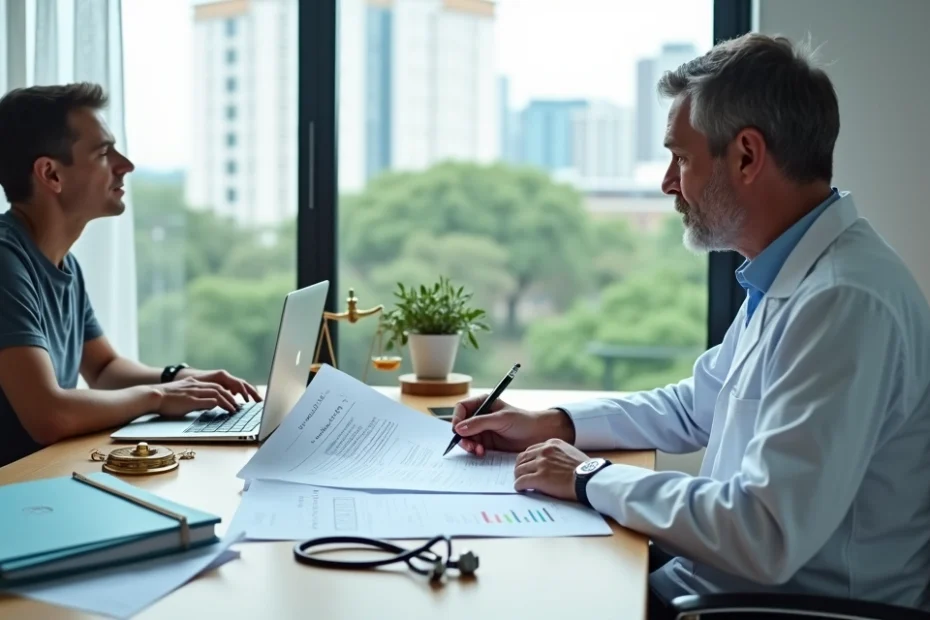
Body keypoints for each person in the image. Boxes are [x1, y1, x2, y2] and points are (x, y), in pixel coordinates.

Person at [452, 33, 930, 618]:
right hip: (719, 585)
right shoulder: (791, 272)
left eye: (681, 157)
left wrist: (589, 478)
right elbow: (695, 407)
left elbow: (765, 532)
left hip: (782, 609)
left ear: (747, 156)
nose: (667, 183)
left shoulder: (843, 302)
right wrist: (551, 422)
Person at [0, 83, 261, 469]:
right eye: (104, 153)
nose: (126, 165)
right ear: (51, 174)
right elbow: (48, 415)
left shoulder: (63, 263)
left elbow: (104, 369)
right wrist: (157, 397)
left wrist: (181, 378)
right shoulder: (5, 261)